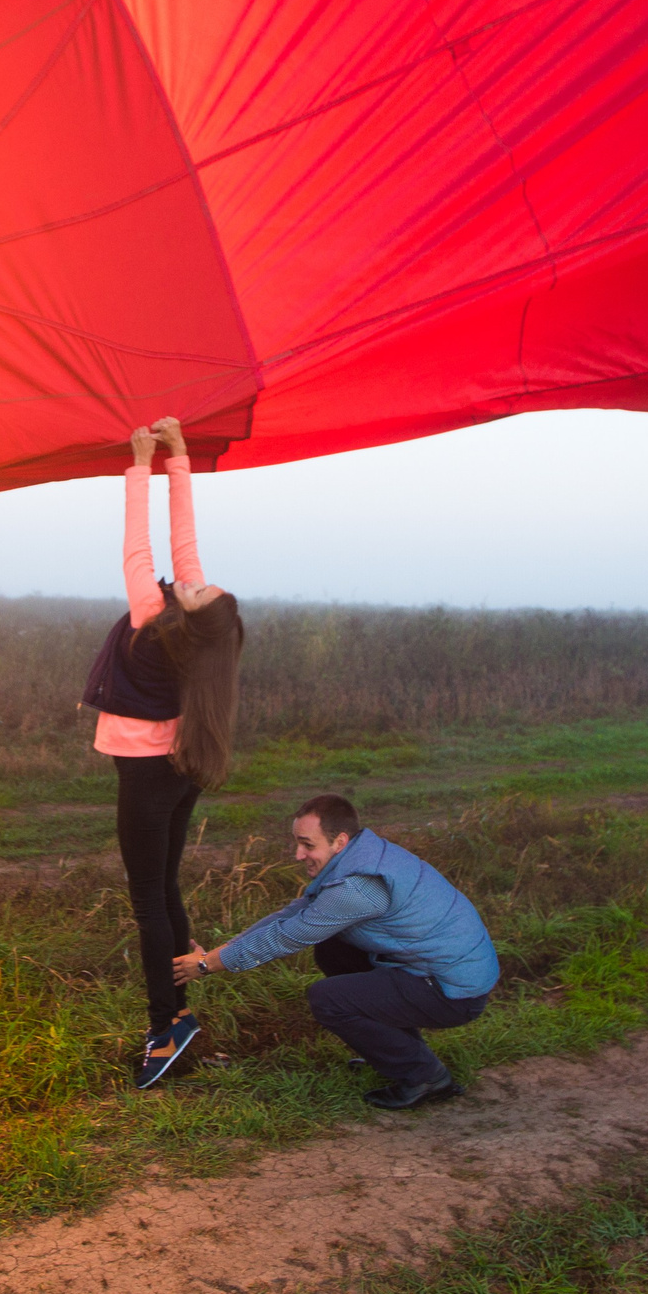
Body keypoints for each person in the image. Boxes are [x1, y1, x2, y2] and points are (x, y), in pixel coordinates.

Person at [80, 416, 243, 1088]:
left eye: (202, 589)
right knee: (164, 886)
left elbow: (137, 549)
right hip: (181, 769)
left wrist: (139, 464)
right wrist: (178, 457)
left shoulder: (154, 614)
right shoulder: (201, 633)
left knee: (148, 897)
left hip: (146, 773)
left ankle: (163, 1027)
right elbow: (186, 541)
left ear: (192, 609)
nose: (198, 580)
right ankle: (181, 1010)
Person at [172, 794, 496, 1109]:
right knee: (333, 948)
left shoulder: (358, 886)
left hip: (454, 992)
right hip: (434, 971)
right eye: (297, 843)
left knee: (328, 999)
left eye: (307, 845)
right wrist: (215, 952)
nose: (298, 854)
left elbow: (288, 935)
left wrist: (206, 966)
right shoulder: (362, 856)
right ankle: (401, 1052)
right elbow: (292, 913)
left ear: (339, 841)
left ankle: (425, 1077)